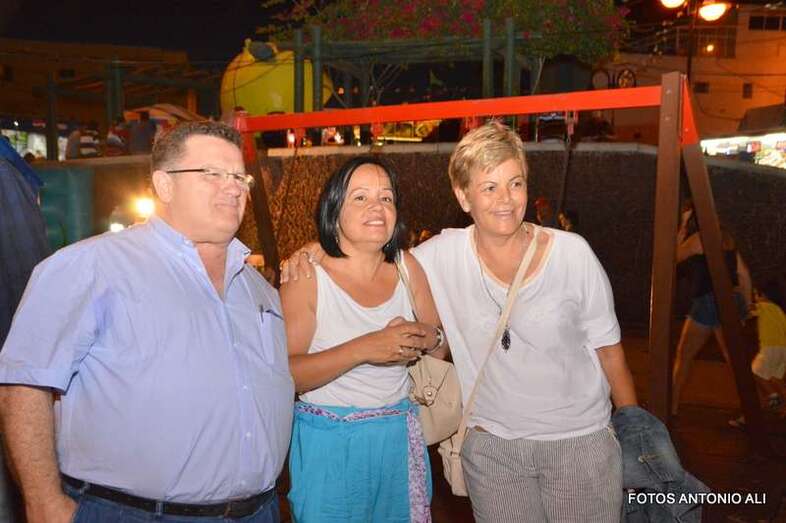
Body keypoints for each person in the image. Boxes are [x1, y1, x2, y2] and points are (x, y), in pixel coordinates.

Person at [283, 122, 637, 523]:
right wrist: (313, 250)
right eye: (489, 187)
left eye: (515, 183)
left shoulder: (572, 254)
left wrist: (635, 431)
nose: (505, 199)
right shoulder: (440, 254)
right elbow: (366, 249)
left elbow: (611, 353)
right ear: (463, 196)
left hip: (578, 444)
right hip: (492, 450)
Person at [0, 121, 293, 523]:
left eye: (239, 176)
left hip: (258, 511)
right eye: (212, 173)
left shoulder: (256, 288)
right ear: (164, 185)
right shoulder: (88, 267)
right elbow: (24, 384)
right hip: (132, 513)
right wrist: (43, 502)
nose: (234, 188)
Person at [281, 156, 446, 523]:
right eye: (360, 197)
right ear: (334, 209)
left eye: (386, 198)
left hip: (398, 438)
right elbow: (286, 374)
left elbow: (439, 348)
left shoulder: (406, 266)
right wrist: (365, 349)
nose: (377, 207)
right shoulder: (307, 276)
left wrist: (427, 337)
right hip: (330, 442)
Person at [671, 200, 752, 415]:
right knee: (735, 360)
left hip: (707, 301)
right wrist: (746, 308)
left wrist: (683, 225)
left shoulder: (699, 238)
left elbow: (673, 257)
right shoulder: (727, 239)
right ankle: (751, 409)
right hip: (732, 300)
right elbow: (743, 274)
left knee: (684, 355)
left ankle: (671, 406)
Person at [729, 278, 786, 427]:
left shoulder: (763, 306)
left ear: (764, 295)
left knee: (754, 373)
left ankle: (773, 397)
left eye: (756, 294)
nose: (755, 297)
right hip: (783, 349)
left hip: (770, 348)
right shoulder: (780, 310)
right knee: (775, 379)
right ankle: (779, 405)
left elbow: (748, 311)